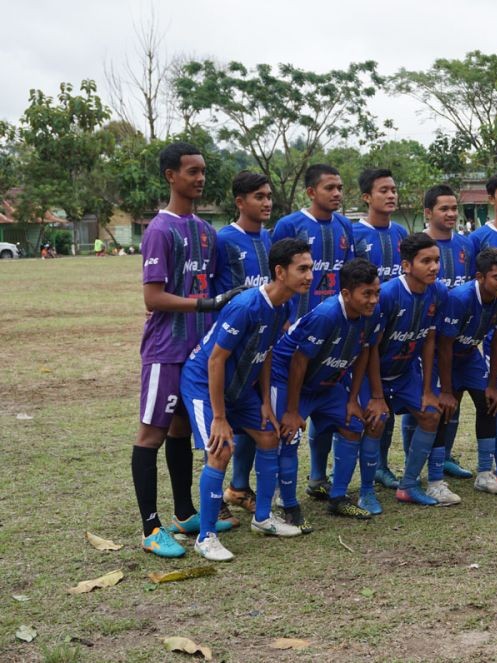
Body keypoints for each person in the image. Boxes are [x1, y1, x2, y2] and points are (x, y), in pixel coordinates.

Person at [132, 141, 246, 558]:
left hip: (198, 353)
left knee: (181, 430)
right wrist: (205, 304)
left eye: (202, 171)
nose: (199, 178)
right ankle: (150, 528)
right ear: (171, 176)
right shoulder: (159, 230)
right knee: (152, 434)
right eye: (191, 171)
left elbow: (214, 285)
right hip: (166, 349)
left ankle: (185, 512)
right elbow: (153, 298)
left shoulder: (204, 231)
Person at [180, 238, 314, 560]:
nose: (310, 275)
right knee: (221, 449)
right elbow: (215, 360)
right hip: (203, 384)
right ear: (280, 272)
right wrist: (220, 417)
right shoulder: (246, 306)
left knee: (269, 437)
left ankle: (263, 518)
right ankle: (206, 536)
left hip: (241, 389)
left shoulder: (285, 304)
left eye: (311, 268)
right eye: (303, 269)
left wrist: (266, 402)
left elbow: (265, 352)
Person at [270, 259, 383, 520]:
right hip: (290, 380)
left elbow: (364, 351)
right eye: (366, 293)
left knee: (353, 423)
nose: (373, 300)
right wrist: (292, 410)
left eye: (376, 293)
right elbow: (298, 362)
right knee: (288, 435)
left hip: (327, 382)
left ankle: (338, 497)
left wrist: (353, 399)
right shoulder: (327, 315)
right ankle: (286, 502)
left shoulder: (371, 313)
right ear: (346, 293)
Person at [272, 164, 355, 502]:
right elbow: (277, 275)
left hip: (333, 331)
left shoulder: (345, 226)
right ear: (311, 192)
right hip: (295, 333)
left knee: (326, 402)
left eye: (339, 187)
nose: (336, 193)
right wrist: (286, 320)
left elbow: (347, 278)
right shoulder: (289, 224)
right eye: (329, 188)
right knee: (285, 414)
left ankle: (319, 476)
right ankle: (275, 489)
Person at [369, 233, 448, 505]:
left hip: (405, 373)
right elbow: (370, 348)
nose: (434, 267)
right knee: (375, 421)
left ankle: (409, 485)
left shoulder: (439, 291)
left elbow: (429, 339)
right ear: (406, 266)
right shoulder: (388, 294)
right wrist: (377, 396)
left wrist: (427, 389)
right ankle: (368, 490)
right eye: (426, 261)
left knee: (430, 413)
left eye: (436, 260)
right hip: (374, 373)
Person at [437, 247, 497, 498]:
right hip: (448, 357)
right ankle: (435, 479)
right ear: (480, 277)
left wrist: (494, 383)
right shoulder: (460, 298)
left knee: (488, 403)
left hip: (471, 355)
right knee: (443, 410)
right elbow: (444, 346)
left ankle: (485, 473)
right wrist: (447, 390)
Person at [215, 171, 274, 525]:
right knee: (222, 424)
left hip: (261, 345)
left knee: (255, 420)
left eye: (268, 196)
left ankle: (239, 488)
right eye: (258, 197)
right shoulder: (223, 240)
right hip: (230, 346)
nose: (266, 202)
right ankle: (214, 495)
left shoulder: (270, 240)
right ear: (240, 202)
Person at [352, 168, 409, 489]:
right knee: (357, 400)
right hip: (362, 331)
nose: (391, 195)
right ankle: (323, 471)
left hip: (397, 332)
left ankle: (380, 466)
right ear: (366, 197)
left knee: (384, 400)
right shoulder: (353, 234)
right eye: (383, 190)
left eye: (393, 189)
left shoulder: (401, 233)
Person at [419, 184, 475, 479]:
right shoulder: (417, 244)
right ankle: (415, 462)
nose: (451, 213)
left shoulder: (467, 245)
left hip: (459, 338)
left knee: (454, 396)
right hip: (425, 337)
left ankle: (446, 455)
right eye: (444, 208)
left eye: (454, 208)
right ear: (428, 213)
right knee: (424, 398)